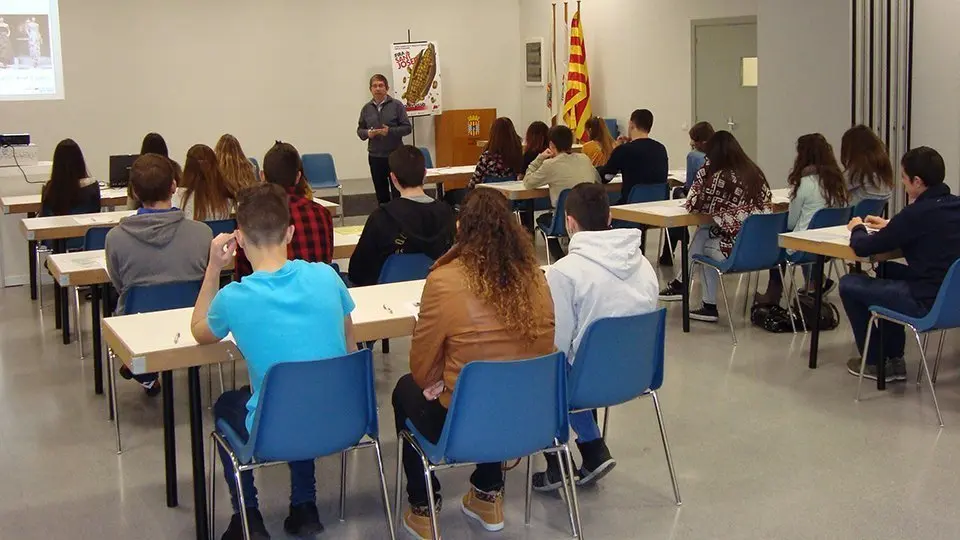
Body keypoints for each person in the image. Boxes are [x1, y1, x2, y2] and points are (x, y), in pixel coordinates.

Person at [191, 183, 356, 539]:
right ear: (291, 232)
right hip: (342, 418)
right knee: (300, 387)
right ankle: (304, 506)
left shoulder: (234, 297)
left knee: (229, 405)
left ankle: (247, 516)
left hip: (276, 428)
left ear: (238, 238)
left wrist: (212, 269)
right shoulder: (328, 276)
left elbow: (199, 331)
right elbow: (350, 351)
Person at [393, 188, 555, 539]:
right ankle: (487, 493)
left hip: (466, 422)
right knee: (494, 383)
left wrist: (438, 380)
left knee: (405, 390)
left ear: (459, 227)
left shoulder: (444, 280)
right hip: (530, 417)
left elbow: (421, 372)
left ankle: (423, 507)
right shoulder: (537, 277)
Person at [533, 183, 658, 492]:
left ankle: (556, 462)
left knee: (541, 366)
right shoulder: (644, 264)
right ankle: (592, 449)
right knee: (581, 357)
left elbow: (556, 348)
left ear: (569, 222)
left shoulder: (565, 272)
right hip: (638, 375)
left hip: (589, 382)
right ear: (610, 218)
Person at [840, 146, 960, 382]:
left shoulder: (915, 214)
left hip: (925, 302)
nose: (903, 186)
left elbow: (864, 247)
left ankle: (875, 360)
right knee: (888, 269)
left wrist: (858, 228)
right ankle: (894, 359)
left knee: (848, 284)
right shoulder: (953, 206)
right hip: (951, 302)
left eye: (904, 179)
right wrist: (891, 225)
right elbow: (929, 231)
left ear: (917, 181)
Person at [105, 154, 212, 395]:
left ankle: (146, 374)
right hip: (193, 322)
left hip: (136, 325)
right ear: (174, 186)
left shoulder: (115, 238)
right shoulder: (202, 234)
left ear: (133, 192)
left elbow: (119, 284)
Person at [658, 131, 772, 322]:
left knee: (704, 246)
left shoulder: (721, 178)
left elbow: (692, 204)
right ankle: (682, 284)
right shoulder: (755, 172)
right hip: (762, 248)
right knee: (704, 232)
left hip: (737, 251)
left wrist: (703, 171)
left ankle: (704, 301)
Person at [757, 134, 849, 304]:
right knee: (810, 230)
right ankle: (815, 281)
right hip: (831, 243)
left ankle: (773, 295)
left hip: (805, 247)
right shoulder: (838, 183)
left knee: (779, 240)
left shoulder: (805, 183)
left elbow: (792, 223)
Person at [348, 145, 455, 286]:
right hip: (437, 289)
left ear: (393, 178)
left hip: (386, 294)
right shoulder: (447, 213)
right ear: (424, 174)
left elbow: (358, 271)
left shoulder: (381, 217)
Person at [234, 142, 333, 280]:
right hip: (315, 293)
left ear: (262, 176)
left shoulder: (252, 217)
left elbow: (243, 276)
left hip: (266, 297)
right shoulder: (322, 213)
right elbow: (327, 260)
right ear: (298, 177)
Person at [523, 125, 600, 260]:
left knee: (543, 220)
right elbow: (597, 180)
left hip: (564, 220)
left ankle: (560, 258)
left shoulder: (550, 165)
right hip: (589, 216)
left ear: (551, 144)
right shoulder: (585, 159)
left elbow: (528, 182)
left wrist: (540, 158)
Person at [661, 121, 716, 265]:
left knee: (677, 192)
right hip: (716, 205)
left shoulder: (694, 156)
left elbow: (691, 186)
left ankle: (673, 241)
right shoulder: (720, 155)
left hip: (700, 201)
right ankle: (678, 234)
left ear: (699, 141)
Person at [357, 74, 412, 205]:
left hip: (395, 156)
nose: (378, 88)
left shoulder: (397, 106)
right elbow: (360, 130)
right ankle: (385, 219)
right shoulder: (366, 108)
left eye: (381, 85)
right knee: (381, 194)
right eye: (374, 86)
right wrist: (367, 133)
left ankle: (399, 219)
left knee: (397, 192)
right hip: (375, 156)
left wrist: (390, 131)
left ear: (387, 88)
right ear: (370, 89)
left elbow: (407, 128)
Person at [598, 109, 669, 204]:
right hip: (657, 206)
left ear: (631, 124)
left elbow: (605, 177)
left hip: (630, 206)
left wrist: (617, 150)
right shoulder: (661, 148)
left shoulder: (624, 150)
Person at [172, 144, 235, 221]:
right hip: (218, 233)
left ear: (188, 168)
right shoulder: (227, 197)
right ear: (215, 167)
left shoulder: (177, 196)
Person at [40, 139, 101, 219]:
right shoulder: (92, 186)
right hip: (87, 230)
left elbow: (45, 217)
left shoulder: (49, 189)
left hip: (56, 231)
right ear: (80, 161)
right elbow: (96, 211)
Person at [841, 124, 896, 206]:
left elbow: (837, 186)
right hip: (870, 217)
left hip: (852, 216)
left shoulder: (859, 172)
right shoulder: (882, 171)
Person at [468, 117, 524, 188]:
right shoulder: (517, 155)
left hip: (489, 196)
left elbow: (475, 181)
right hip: (509, 196)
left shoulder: (487, 156)